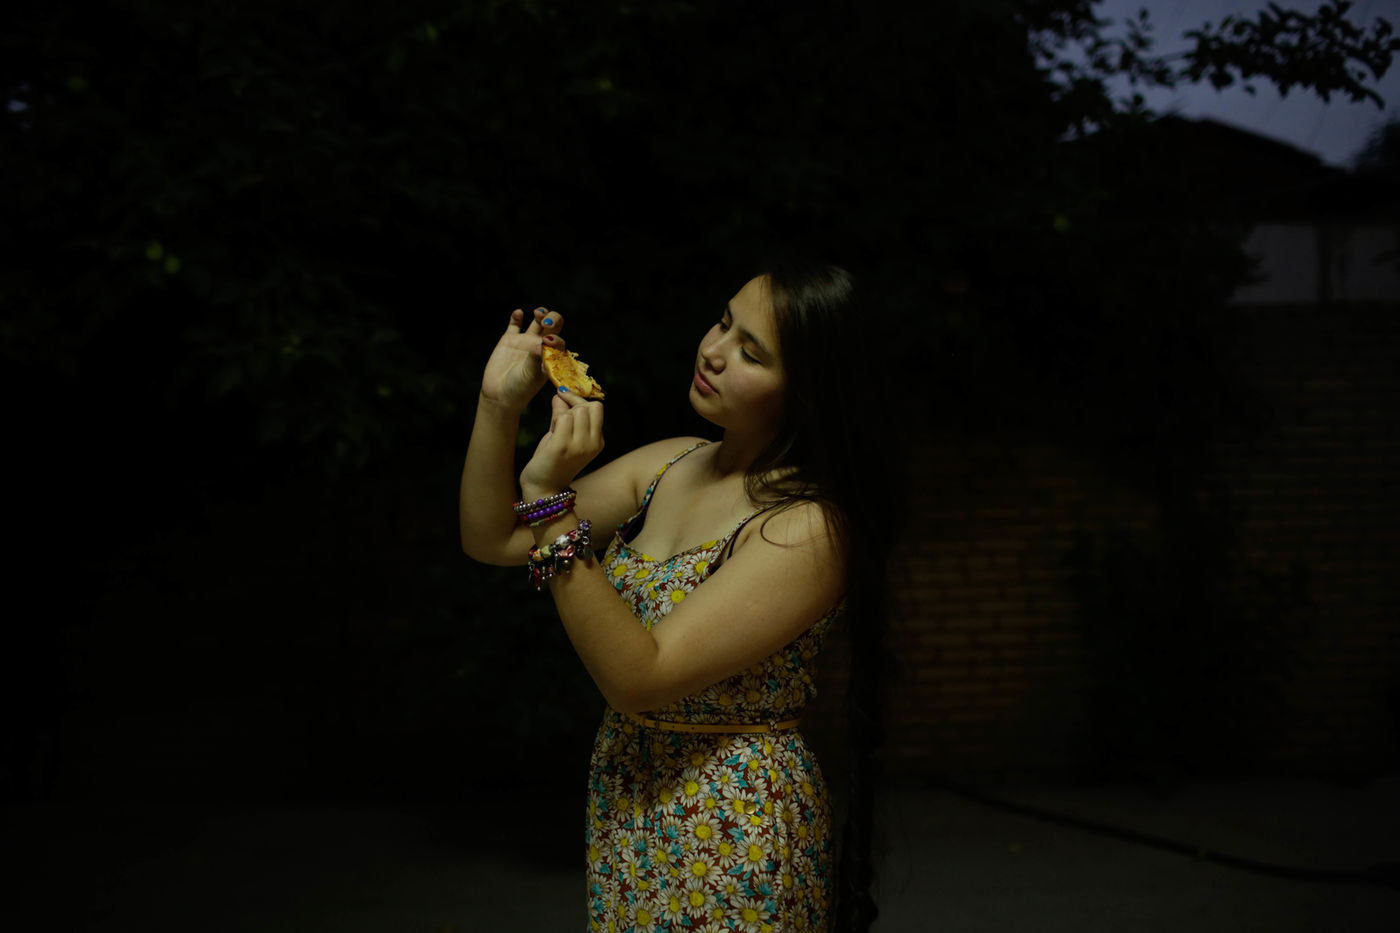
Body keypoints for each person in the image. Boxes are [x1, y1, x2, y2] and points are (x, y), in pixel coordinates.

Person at [459, 261, 889, 932]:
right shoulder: (670, 464)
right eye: (723, 322)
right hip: (630, 794)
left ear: (807, 391)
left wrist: (550, 502)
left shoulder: (806, 527)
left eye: (751, 353)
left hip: (732, 820)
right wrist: (499, 406)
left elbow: (640, 677)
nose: (714, 351)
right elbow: (492, 537)